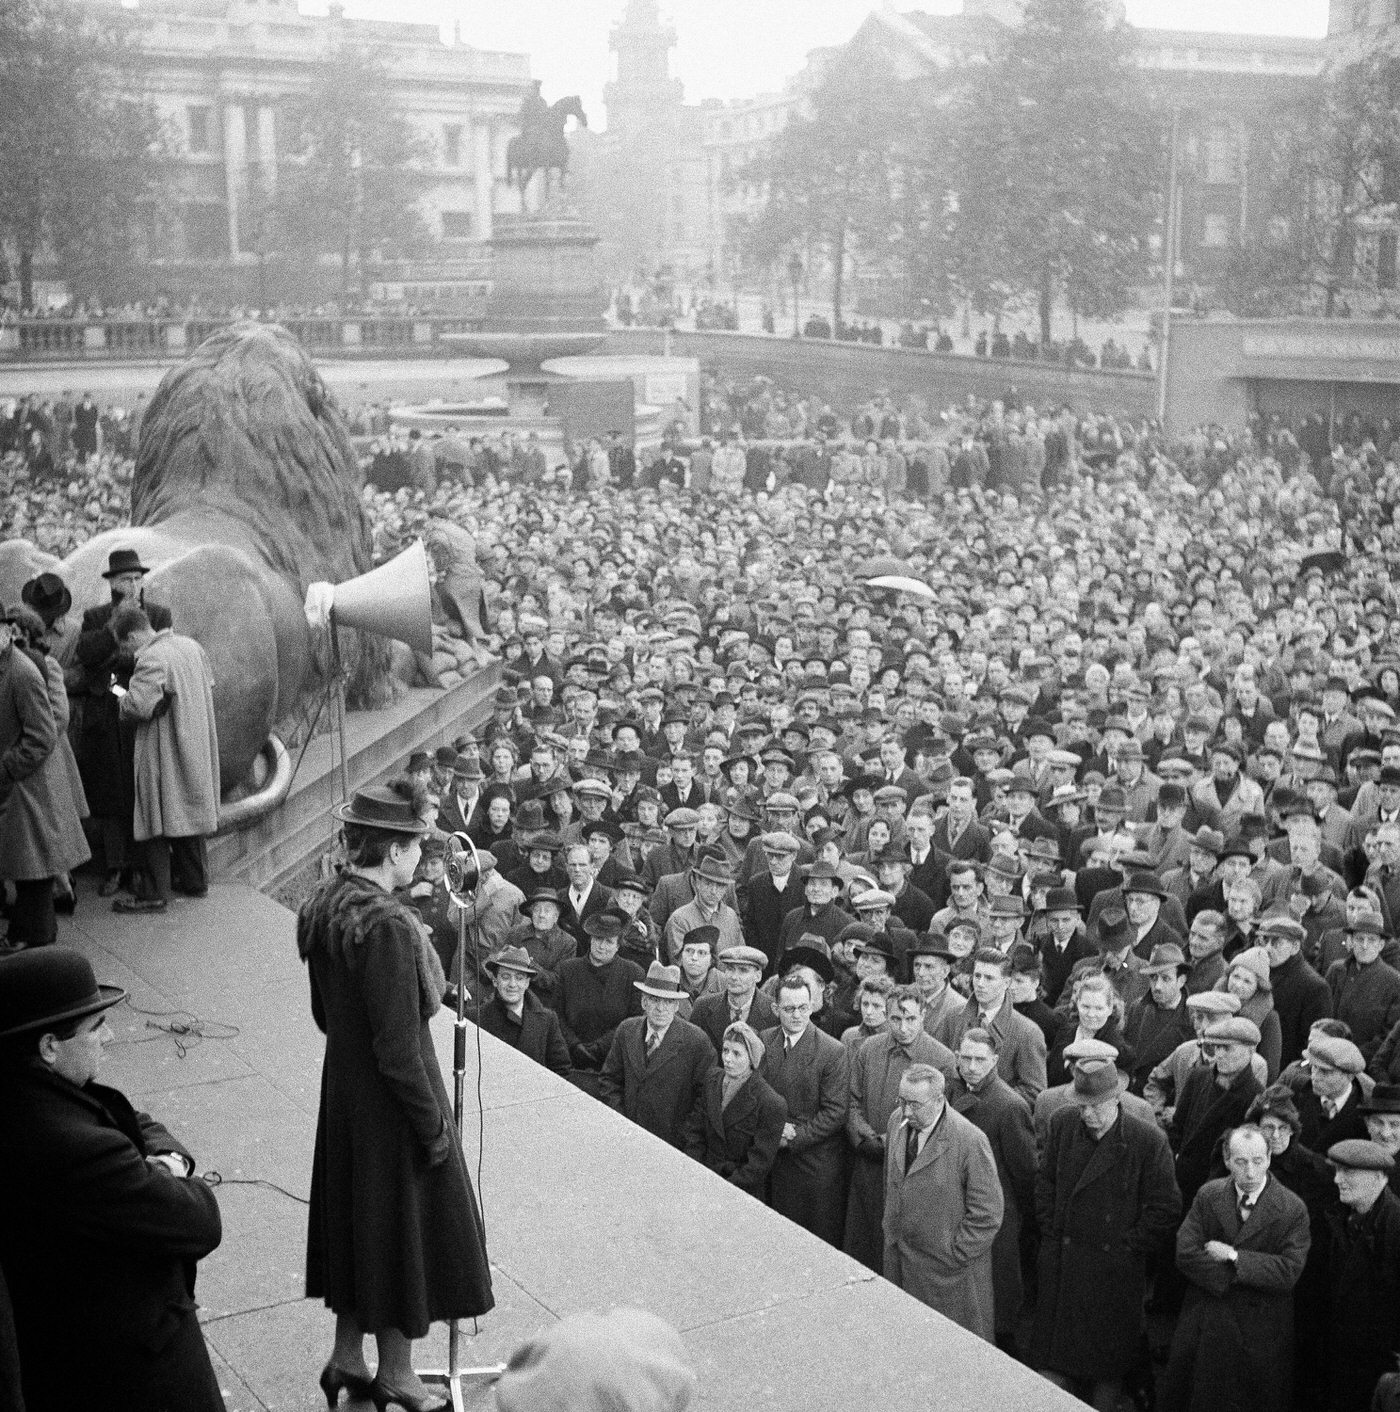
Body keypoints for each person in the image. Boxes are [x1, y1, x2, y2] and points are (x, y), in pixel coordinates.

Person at [296, 781, 493, 1412]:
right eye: (415, 847)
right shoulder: (386, 927)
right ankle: (397, 1375)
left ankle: (346, 1358)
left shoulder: (326, 907)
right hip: (391, 1109)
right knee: (397, 1236)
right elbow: (400, 1052)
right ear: (392, 851)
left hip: (345, 1098)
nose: (422, 858)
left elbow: (325, 1016)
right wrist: (433, 1128)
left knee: (358, 1224)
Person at [0, 947, 225, 1412]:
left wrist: (163, 1161)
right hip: (129, 1370)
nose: (110, 1036)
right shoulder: (75, 1147)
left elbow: (133, 1118)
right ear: (49, 1046)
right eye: (96, 1027)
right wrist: (171, 1170)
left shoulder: (33, 1095)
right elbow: (199, 1220)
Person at [1032, 1062, 1182, 1412]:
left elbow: (1166, 1208)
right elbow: (1045, 1182)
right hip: (1064, 1266)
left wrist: (1128, 1246)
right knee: (1053, 1369)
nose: (1088, 1115)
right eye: (1082, 1106)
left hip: (1113, 1274)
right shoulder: (1062, 1123)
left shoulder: (1147, 1141)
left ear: (1117, 1100)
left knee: (1105, 1374)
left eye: (1096, 1106)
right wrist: (1052, 1230)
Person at [1158, 1123, 1311, 1412]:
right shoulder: (1209, 1195)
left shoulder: (1292, 1209)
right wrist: (1239, 1278)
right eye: (1241, 1162)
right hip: (1207, 1320)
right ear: (1227, 1161)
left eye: (1258, 1161)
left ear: (1269, 1158)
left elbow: (1289, 1271)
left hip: (1260, 1330)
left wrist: (1234, 1256)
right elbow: (1185, 1252)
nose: (1250, 1172)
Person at [71, 548, 173, 896]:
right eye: (125, 578)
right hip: (106, 716)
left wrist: (117, 659)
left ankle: (143, 867)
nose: (132, 584)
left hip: (143, 712)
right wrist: (114, 628)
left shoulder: (157, 614)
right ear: (112, 583)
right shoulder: (96, 617)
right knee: (110, 794)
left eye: (137, 578)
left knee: (143, 789)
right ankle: (115, 867)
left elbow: (161, 655)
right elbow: (87, 656)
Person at [882, 1063, 1003, 1342]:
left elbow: (988, 1214)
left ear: (939, 1100)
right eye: (902, 1101)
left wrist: (954, 1254)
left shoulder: (970, 1140)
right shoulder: (897, 1121)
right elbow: (891, 1183)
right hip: (900, 1263)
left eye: (915, 1104)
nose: (906, 1112)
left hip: (947, 1278)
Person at [111, 605, 221, 913]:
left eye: (124, 646)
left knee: (155, 814)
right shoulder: (192, 647)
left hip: (164, 750)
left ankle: (154, 893)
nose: (127, 653)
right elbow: (207, 686)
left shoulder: (151, 658)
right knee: (188, 812)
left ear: (132, 636)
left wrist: (119, 695)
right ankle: (195, 881)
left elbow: (137, 707)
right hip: (195, 744)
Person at [843, 984, 956, 1273]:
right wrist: (863, 1137)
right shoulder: (868, 1049)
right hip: (867, 1163)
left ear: (924, 1016)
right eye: (895, 1019)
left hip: (910, 1169)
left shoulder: (941, 1059)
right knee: (863, 1243)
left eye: (911, 1019)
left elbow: (939, 1119)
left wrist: (889, 1141)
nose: (903, 1028)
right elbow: (852, 1101)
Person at [947, 1026, 1037, 1354]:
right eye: (966, 1058)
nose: (972, 1066)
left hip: (996, 1212)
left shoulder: (1009, 1105)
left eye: (980, 1060)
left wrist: (1015, 1213)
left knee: (997, 1289)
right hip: (956, 1204)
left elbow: (1025, 1171)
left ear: (995, 1060)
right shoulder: (950, 1091)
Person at [758, 971, 850, 1247]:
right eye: (789, 1009)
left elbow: (835, 1112)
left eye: (803, 1007)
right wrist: (774, 1130)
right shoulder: (764, 1040)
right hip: (771, 1158)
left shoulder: (832, 1051)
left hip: (812, 1164)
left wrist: (794, 1137)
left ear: (812, 1007)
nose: (797, 1015)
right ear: (776, 1009)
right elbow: (755, 1093)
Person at [599, 961, 716, 1146]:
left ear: (677, 1006)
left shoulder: (697, 1042)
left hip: (671, 1143)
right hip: (625, 1136)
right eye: (654, 999)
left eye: (668, 1001)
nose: (661, 1008)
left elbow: (705, 1099)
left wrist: (684, 1138)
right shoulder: (627, 1030)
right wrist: (621, 1121)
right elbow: (609, 1080)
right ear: (644, 1002)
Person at [0, 605, 62, 949]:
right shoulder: (7, 667)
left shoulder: (22, 672)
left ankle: (33, 940)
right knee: (24, 865)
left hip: (24, 785)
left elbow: (42, 734)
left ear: (7, 632)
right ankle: (26, 936)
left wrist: (7, 767)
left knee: (32, 866)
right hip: (15, 783)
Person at [1323, 1139, 1400, 1412]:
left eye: (1349, 1172)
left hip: (1377, 1366)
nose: (1337, 1180)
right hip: (1343, 1358)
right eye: (1337, 1171)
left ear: (1379, 1177)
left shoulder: (1395, 1226)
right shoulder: (1341, 1215)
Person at [683, 1021, 787, 1196]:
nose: (728, 1059)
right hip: (701, 1177)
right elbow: (695, 1130)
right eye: (725, 1050)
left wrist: (722, 1189)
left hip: (737, 1190)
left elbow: (757, 1165)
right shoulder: (712, 1080)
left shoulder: (771, 1103)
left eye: (737, 1053)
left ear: (752, 1058)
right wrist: (695, 1170)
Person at [552, 910, 644, 1097]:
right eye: (598, 939)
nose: (602, 946)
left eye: (609, 941)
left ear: (618, 945)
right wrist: (575, 1045)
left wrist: (600, 1047)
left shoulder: (633, 974)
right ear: (590, 940)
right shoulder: (567, 970)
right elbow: (556, 1014)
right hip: (569, 1060)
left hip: (613, 1062)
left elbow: (634, 1020)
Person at [466, 944, 572, 1077]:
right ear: (495, 981)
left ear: (527, 983)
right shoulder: (476, 1018)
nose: (512, 984)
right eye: (505, 977)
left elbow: (561, 1071)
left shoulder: (547, 1020)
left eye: (519, 978)